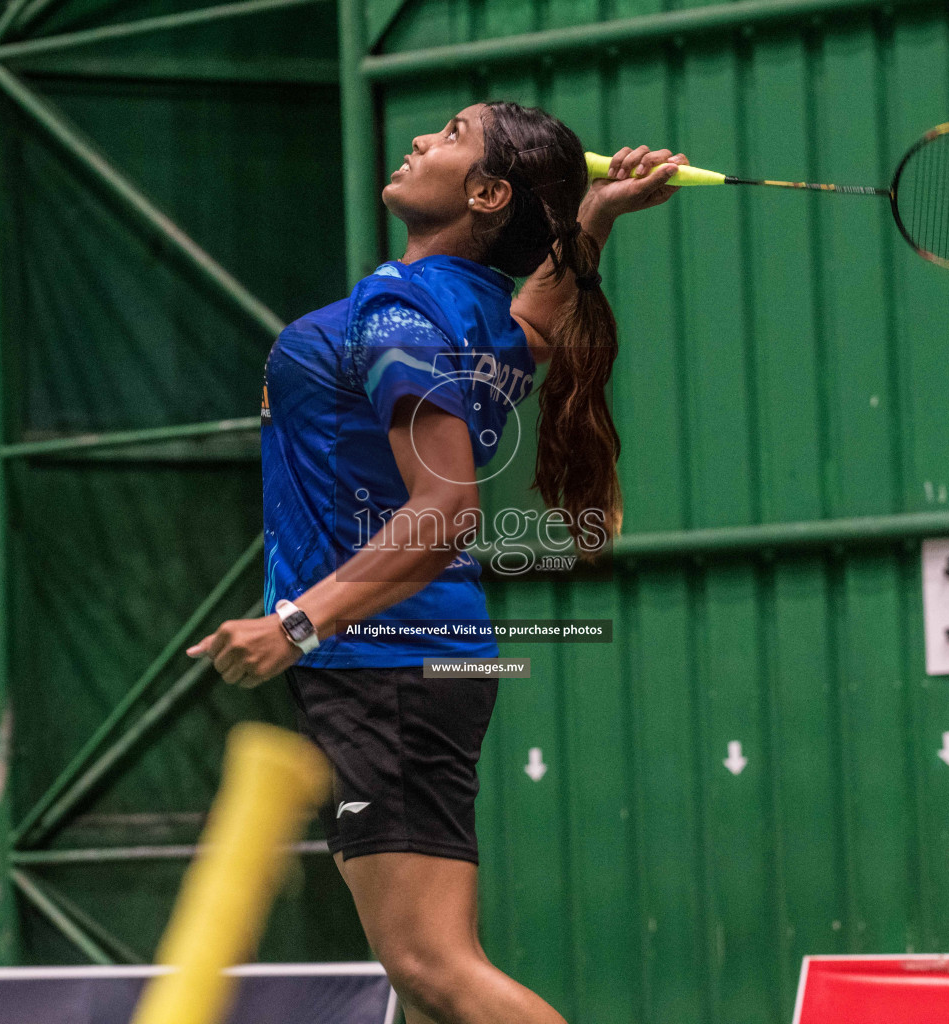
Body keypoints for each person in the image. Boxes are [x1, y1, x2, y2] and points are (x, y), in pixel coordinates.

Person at [188, 101, 684, 1023]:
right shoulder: (478, 306)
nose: (420, 138)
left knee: (431, 966)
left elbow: (445, 512)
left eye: (450, 136)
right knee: (426, 986)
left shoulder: (401, 306)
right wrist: (596, 217)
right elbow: (538, 329)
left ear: (487, 193)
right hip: (417, 660)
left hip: (384, 660)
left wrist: (296, 623)